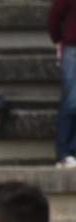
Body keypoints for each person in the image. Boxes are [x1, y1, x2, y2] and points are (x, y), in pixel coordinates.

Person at [48, 0, 76, 167]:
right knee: (72, 101)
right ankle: (64, 153)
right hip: (73, 48)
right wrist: (59, 40)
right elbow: (54, 18)